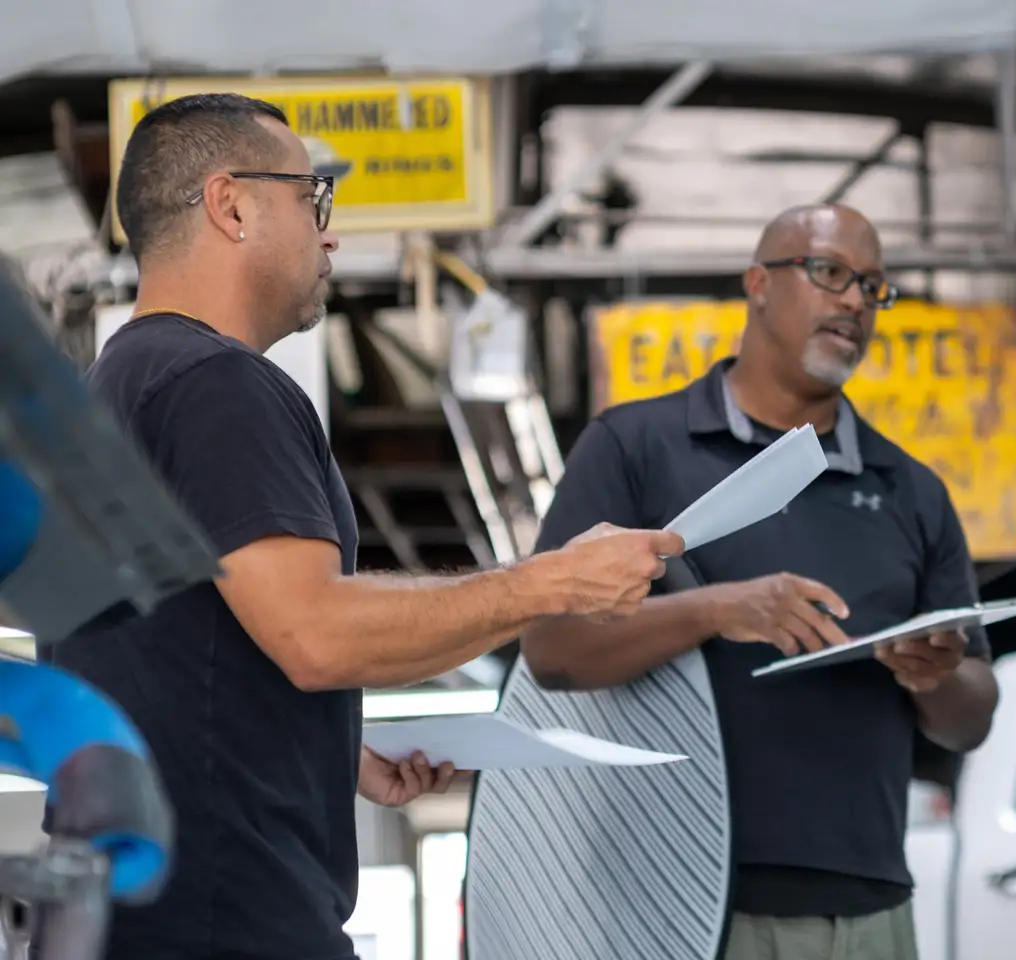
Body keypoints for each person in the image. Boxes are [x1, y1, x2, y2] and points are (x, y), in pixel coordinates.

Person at [39, 93, 682, 960]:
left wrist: (329, 748)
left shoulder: (105, 398)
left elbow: (158, 664)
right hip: (229, 928)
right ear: (231, 205)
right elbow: (315, 634)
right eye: (312, 199)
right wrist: (551, 582)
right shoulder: (217, 384)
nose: (330, 236)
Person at [522, 203, 999, 960]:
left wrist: (934, 676)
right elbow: (552, 651)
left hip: (869, 908)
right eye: (829, 272)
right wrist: (715, 610)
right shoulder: (636, 448)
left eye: (872, 286)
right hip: (679, 905)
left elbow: (971, 719)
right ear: (757, 284)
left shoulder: (911, 491)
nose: (854, 300)